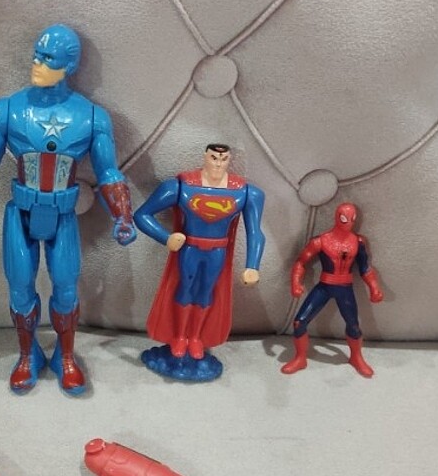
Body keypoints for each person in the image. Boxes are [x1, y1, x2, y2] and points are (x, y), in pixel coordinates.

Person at [0, 24, 137, 395]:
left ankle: (65, 356)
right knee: (20, 289)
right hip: (20, 214)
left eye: (49, 58)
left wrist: (123, 214)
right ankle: (27, 354)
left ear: (70, 65)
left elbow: (109, 173)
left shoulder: (92, 117)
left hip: (63, 216)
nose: (37, 63)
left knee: (66, 290)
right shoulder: (7, 110)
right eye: (37, 54)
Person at [134, 143, 265, 380]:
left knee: (206, 292)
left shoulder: (245, 192)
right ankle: (179, 336)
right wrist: (165, 237)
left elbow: (255, 232)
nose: (218, 163)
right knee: (186, 288)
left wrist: (253, 265)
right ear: (205, 157)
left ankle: (195, 338)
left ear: (229, 160)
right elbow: (142, 215)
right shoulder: (182, 186)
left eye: (223, 159)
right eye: (214, 158)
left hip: (217, 250)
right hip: (190, 248)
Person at [281, 202, 383, 377]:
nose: (348, 222)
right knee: (299, 322)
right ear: (337, 217)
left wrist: (374, 288)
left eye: (352, 219)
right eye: (344, 218)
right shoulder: (320, 241)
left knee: (353, 325)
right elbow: (301, 262)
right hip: (325, 286)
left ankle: (356, 357)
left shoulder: (358, 242)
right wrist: (296, 283)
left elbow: (365, 268)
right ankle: (300, 358)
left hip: (345, 288)